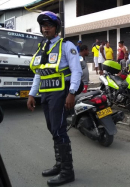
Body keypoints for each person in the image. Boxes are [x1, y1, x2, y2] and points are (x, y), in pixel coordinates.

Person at [27, 11, 82, 186]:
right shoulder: (43, 47)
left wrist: (71, 92)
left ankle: (67, 171)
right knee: (53, 129)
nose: (45, 29)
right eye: (43, 26)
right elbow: (39, 73)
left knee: (59, 130)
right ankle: (59, 164)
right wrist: (31, 94)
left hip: (60, 93)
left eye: (49, 25)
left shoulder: (66, 45)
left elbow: (77, 70)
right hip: (46, 93)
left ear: (56, 28)